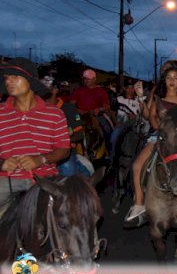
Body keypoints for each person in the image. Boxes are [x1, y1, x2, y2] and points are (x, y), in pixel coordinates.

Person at [124, 66, 177, 227]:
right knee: (136, 165)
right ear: (165, 81)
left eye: (175, 78)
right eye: (169, 78)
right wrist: (141, 99)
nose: (172, 81)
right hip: (160, 136)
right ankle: (139, 203)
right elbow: (150, 116)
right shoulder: (159, 99)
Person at [0, 59, 70, 217]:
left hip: (45, 180)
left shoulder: (55, 114)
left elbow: (64, 150)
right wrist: (2, 163)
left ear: (30, 81)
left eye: (15, 77)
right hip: (5, 181)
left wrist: (41, 159)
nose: (9, 81)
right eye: (6, 78)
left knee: (75, 214)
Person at [40, 76, 85, 176]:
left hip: (63, 155)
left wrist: (63, 142)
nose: (42, 90)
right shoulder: (35, 108)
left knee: (67, 176)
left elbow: (79, 134)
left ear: (55, 90)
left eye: (47, 87)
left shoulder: (68, 108)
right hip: (40, 154)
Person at [70, 69, 114, 155]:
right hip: (80, 115)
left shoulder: (101, 91)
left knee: (107, 129)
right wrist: (77, 110)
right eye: (85, 78)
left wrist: (99, 109)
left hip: (95, 114)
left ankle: (109, 151)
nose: (86, 80)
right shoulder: (79, 90)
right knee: (70, 127)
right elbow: (72, 103)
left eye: (88, 78)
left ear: (94, 79)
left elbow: (107, 106)